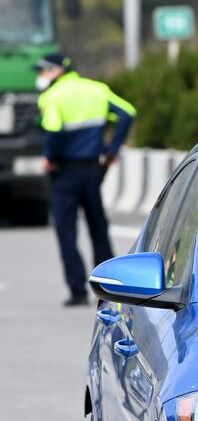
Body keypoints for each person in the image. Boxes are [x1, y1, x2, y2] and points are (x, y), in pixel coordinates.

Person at [34, 52, 137, 306]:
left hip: (64, 172)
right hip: (93, 170)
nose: (41, 76)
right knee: (98, 228)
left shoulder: (52, 97)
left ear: (57, 71)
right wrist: (112, 150)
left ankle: (77, 289)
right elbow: (127, 113)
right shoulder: (97, 90)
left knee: (66, 230)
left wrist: (48, 156)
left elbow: (54, 129)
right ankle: (109, 290)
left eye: (44, 70)